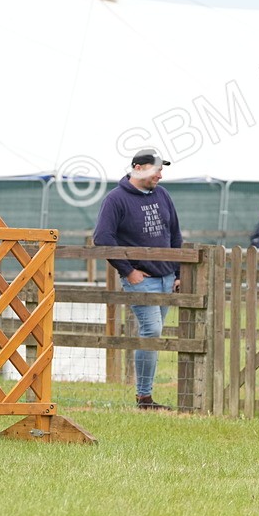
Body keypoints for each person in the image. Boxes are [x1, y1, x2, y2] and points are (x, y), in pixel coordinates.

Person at [93, 150, 182, 411]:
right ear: (137, 168)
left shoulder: (163, 195)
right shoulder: (115, 199)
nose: (159, 174)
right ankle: (144, 397)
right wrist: (128, 270)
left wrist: (178, 273)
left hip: (166, 277)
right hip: (141, 280)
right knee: (151, 331)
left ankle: (145, 397)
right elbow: (103, 238)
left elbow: (174, 234)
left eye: (161, 170)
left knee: (153, 335)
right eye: (155, 169)